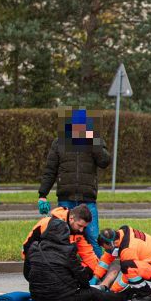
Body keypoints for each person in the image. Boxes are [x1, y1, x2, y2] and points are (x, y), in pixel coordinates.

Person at [38, 109, 111, 257]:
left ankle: (98, 273)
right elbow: (50, 170)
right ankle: (62, 268)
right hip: (66, 199)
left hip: (87, 199)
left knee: (92, 237)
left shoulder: (95, 141)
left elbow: (104, 161)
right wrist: (42, 194)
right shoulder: (59, 142)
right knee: (62, 237)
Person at [23, 213, 96, 301]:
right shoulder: (67, 250)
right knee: (93, 293)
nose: (81, 230)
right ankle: (118, 298)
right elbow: (80, 273)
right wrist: (85, 288)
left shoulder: (35, 246)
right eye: (80, 226)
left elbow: (88, 255)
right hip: (58, 297)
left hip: (36, 295)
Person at [93, 226, 151, 301]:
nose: (106, 250)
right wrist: (95, 277)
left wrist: (113, 291)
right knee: (129, 267)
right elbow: (107, 257)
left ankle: (147, 295)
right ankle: (140, 290)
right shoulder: (122, 234)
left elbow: (127, 275)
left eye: (106, 248)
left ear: (113, 243)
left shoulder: (128, 249)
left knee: (128, 267)